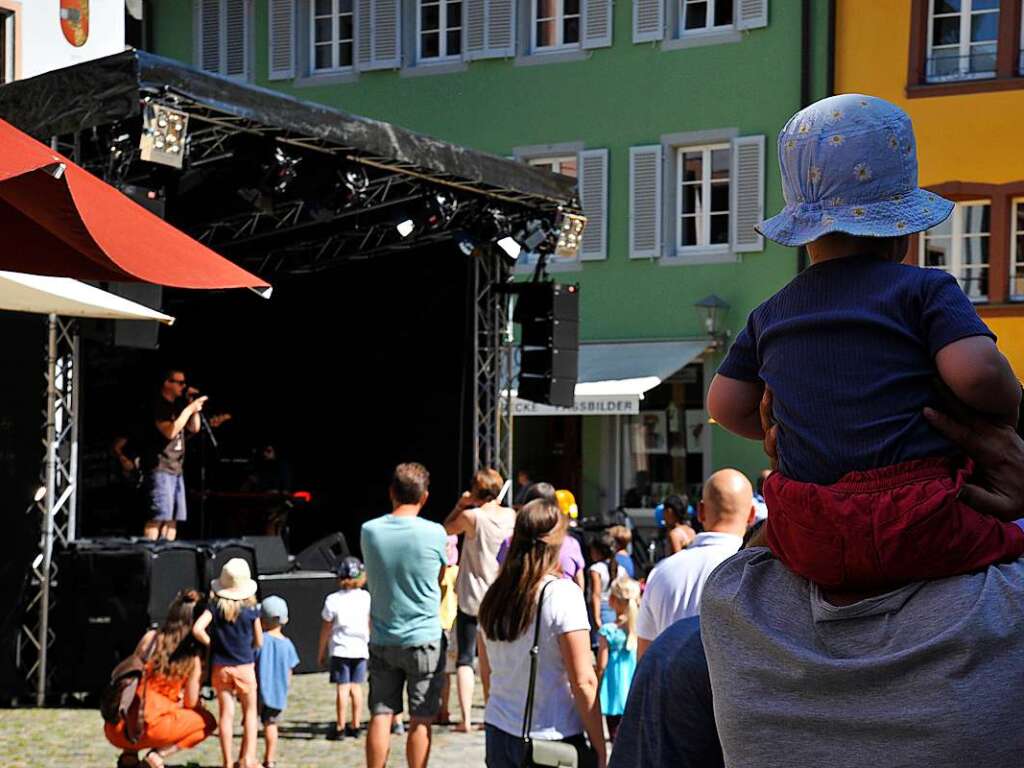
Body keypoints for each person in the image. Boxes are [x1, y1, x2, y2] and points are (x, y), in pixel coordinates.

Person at [707, 93, 1024, 589]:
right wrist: (1009, 408)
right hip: (920, 514)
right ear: (901, 233)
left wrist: (797, 425)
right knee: (1010, 542)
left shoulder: (771, 313)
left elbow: (724, 404)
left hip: (810, 526)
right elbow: (978, 373)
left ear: (806, 234)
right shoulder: (924, 289)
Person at [477, 499, 606, 768]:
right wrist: (600, 749)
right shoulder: (561, 594)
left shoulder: (494, 595)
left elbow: (487, 673)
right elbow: (584, 681)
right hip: (551, 736)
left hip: (499, 730)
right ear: (558, 542)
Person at [360, 462, 447, 768]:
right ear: (424, 496)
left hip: (384, 636)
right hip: (423, 637)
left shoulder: (369, 531)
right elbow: (438, 576)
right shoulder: (435, 533)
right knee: (421, 718)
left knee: (381, 714)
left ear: (391, 493)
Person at [636, 469, 754, 657]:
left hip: (673, 684)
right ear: (752, 514)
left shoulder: (661, 572)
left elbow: (645, 659)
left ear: (700, 511)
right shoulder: (760, 573)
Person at [105, 589, 216, 768]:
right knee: (208, 722)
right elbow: (190, 702)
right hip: (152, 729)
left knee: (138, 701)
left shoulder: (150, 639)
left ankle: (129, 755)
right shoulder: (192, 657)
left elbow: (132, 674)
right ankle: (157, 756)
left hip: (117, 727)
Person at [444, 468, 517, 733]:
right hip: (500, 596)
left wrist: (460, 504)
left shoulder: (471, 517)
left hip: (472, 597)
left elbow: (445, 529)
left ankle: (465, 719)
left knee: (466, 659)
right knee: (495, 659)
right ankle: (492, 712)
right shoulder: (511, 517)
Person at [192, 558, 263, 768]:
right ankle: (247, 759)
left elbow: (197, 629)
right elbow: (259, 641)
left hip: (220, 667)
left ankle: (227, 762)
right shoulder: (251, 611)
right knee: (250, 713)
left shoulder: (215, 607)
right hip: (244, 666)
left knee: (226, 715)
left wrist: (213, 644)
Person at [139, 369, 207, 541]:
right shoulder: (158, 405)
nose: (183, 386)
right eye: (179, 382)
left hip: (176, 468)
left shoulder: (179, 405)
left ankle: (166, 558)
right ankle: (149, 558)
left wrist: (194, 408)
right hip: (160, 467)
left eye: (184, 383)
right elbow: (170, 431)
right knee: (158, 518)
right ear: (167, 383)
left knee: (173, 519)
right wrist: (189, 409)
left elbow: (194, 428)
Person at [317, 556, 371, 741]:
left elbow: (326, 628)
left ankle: (340, 726)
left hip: (340, 648)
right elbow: (370, 622)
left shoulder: (333, 599)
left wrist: (321, 651)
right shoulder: (366, 597)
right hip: (360, 647)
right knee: (357, 687)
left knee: (342, 688)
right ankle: (355, 725)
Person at [497, 482, 587, 590]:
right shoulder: (571, 544)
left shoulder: (510, 542)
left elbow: (501, 579)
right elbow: (579, 583)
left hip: (521, 603)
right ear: (555, 509)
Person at [256, 595, 299, 768]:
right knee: (271, 725)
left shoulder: (259, 642)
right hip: (277, 692)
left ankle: (249, 756)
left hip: (259, 691)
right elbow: (290, 669)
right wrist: (286, 686)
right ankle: (270, 759)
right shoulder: (287, 644)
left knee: (252, 722)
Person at [596, 577, 639, 743]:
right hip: (633, 689)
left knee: (616, 738)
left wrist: (598, 682)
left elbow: (601, 664)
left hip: (613, 690)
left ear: (613, 600)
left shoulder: (608, 631)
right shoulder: (638, 627)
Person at [436, 535, 460, 727]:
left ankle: (441, 709)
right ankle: (443, 709)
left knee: (440, 672)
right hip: (452, 622)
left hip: (442, 623)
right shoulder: (459, 571)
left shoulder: (441, 572)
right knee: (446, 672)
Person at [587, 533, 619, 639]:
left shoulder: (595, 569)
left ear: (598, 551)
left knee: (600, 644)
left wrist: (596, 618)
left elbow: (596, 595)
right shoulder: (619, 568)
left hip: (601, 609)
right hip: (615, 608)